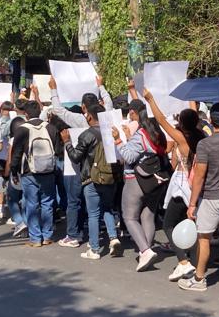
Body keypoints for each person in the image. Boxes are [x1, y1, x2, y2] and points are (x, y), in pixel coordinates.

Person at [180, 103, 219, 296]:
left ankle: (199, 279)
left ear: (211, 120)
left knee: (204, 238)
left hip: (212, 196)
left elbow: (199, 176)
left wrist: (192, 203)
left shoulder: (205, 144)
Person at [145, 88, 203, 281]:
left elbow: (161, 120)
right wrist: (190, 97)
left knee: (169, 224)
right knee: (192, 224)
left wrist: (151, 99)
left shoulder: (182, 139)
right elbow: (193, 117)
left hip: (182, 186)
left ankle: (183, 262)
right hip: (197, 186)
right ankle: (194, 261)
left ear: (181, 123)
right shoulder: (202, 136)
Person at [114, 99, 168, 272]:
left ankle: (145, 251)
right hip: (156, 181)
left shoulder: (141, 134)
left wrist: (118, 140)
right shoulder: (157, 134)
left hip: (136, 180)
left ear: (134, 114)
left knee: (129, 217)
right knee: (148, 216)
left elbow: (129, 157)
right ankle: (147, 247)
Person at [62, 103, 120, 259]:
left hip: (91, 178)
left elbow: (75, 157)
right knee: (107, 208)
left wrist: (67, 142)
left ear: (89, 116)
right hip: (110, 177)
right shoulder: (112, 132)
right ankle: (113, 238)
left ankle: (94, 249)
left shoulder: (87, 135)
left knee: (93, 214)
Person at [10, 100, 63, 247]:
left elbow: (16, 154)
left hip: (28, 172)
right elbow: (59, 151)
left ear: (25, 114)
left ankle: (35, 238)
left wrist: (14, 171)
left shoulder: (21, 129)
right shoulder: (51, 128)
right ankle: (47, 236)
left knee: (32, 204)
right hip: (48, 171)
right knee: (47, 203)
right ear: (40, 112)